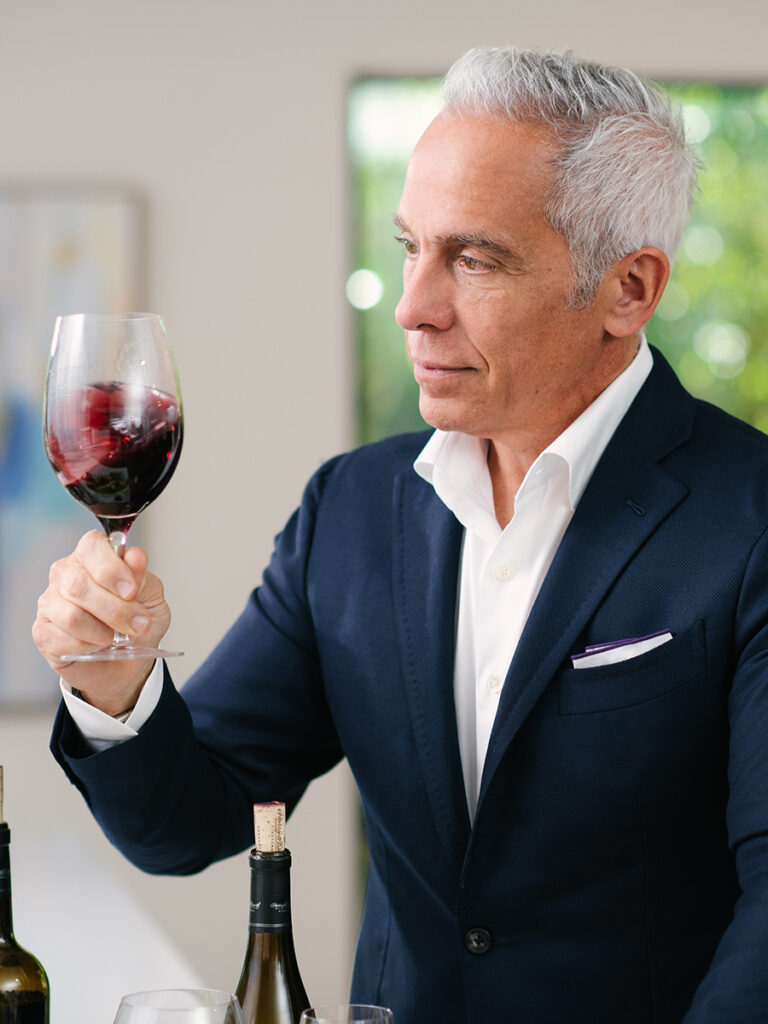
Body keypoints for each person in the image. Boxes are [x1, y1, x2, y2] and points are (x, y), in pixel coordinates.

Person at [33, 47, 768, 1024]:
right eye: (409, 247)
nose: (414, 307)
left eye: (474, 258)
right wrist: (114, 686)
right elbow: (187, 820)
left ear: (628, 290)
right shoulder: (353, 508)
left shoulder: (751, 516)